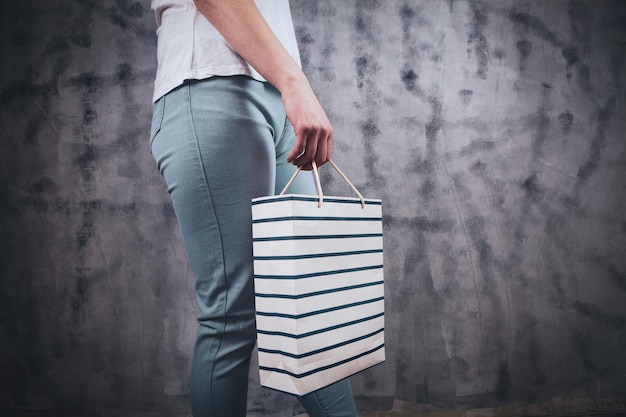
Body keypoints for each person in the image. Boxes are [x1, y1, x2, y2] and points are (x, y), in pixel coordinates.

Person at [148, 1, 360, 416]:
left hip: (276, 97)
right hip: (209, 82)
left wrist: (290, 87)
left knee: (306, 304)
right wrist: (295, 83)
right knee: (231, 314)